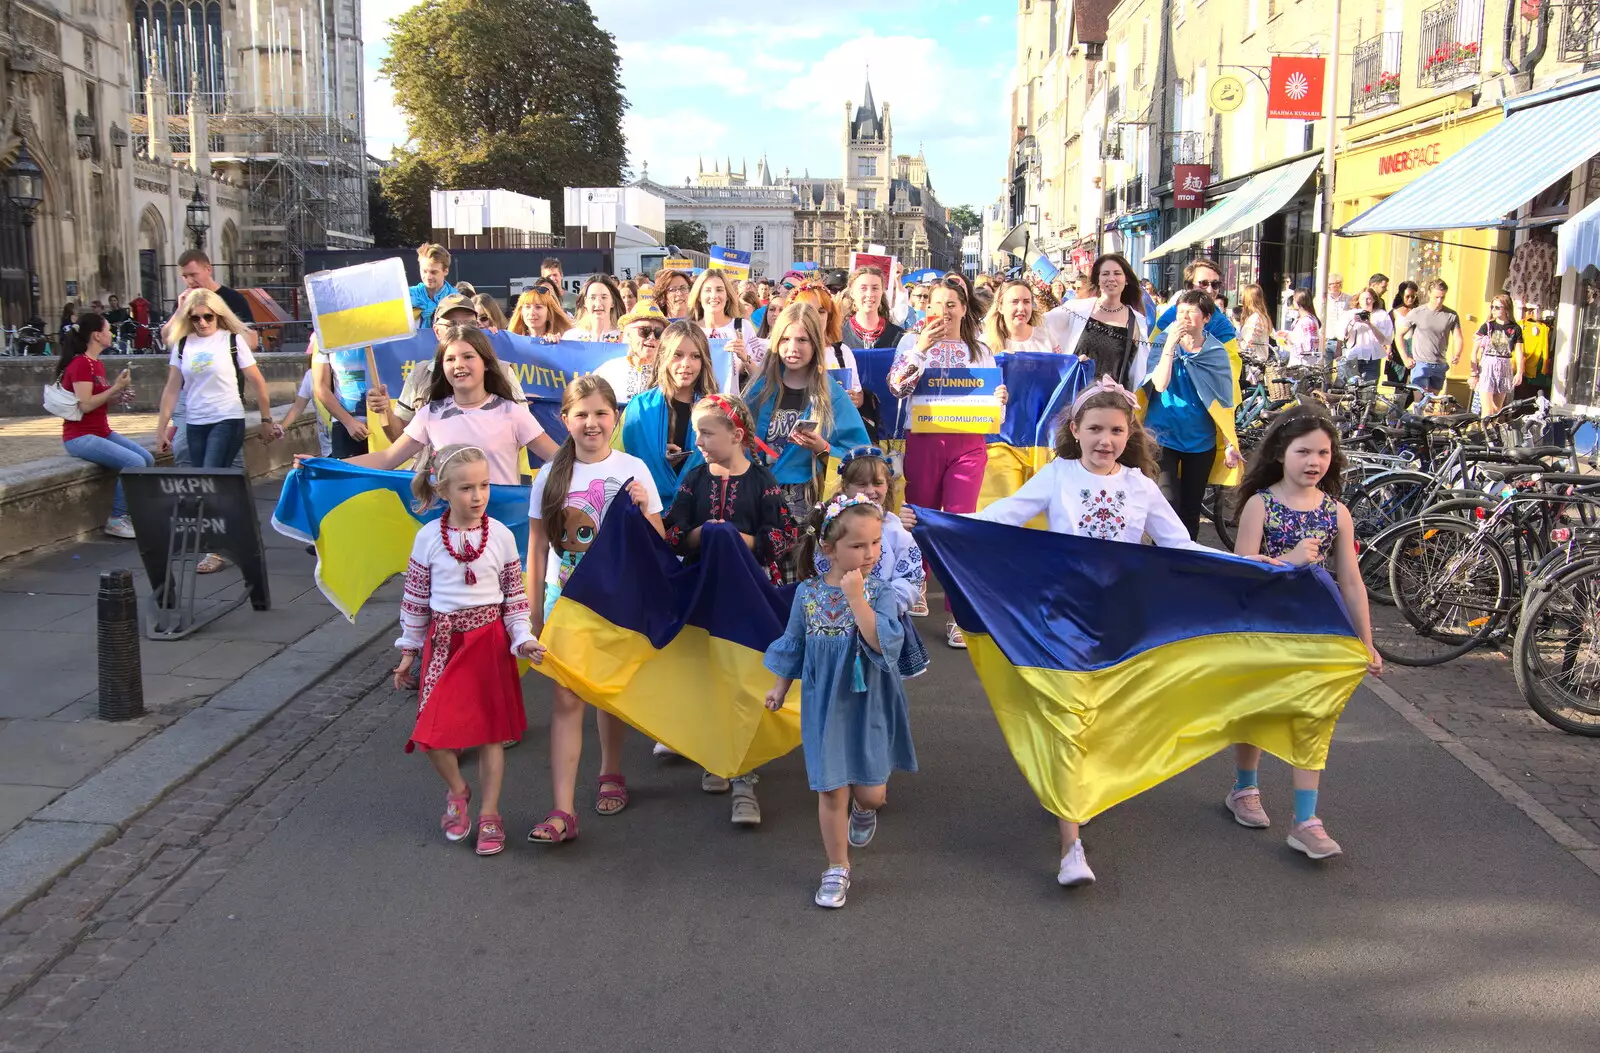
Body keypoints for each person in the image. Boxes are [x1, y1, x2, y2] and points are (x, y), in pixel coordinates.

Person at [901, 377, 1206, 887]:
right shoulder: (1058, 475)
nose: (1105, 440)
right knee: (1069, 716)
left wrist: (1248, 566)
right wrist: (938, 523)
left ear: (1130, 434)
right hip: (1062, 617)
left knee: (1100, 718)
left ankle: (1077, 790)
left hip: (1119, 622)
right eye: (1095, 429)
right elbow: (1004, 517)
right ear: (1076, 431)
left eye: (1115, 430)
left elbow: (1181, 545)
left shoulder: (1141, 487)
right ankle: (1071, 849)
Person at [1229, 409, 1381, 860]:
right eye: (1303, 451)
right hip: (1264, 626)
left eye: (1323, 452)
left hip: (1316, 628)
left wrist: (1366, 641)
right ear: (1281, 453)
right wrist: (1289, 560)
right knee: (1258, 710)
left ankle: (1306, 820)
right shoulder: (1261, 503)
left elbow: (1352, 581)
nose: (1314, 460)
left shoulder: (1337, 512)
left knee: (1313, 716)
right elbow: (1241, 568)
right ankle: (1244, 788)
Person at [526, 376, 665, 845]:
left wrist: (646, 509)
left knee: (606, 694)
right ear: (564, 420)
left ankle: (610, 770)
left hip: (617, 605)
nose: (591, 422)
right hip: (564, 602)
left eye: (601, 413)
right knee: (567, 700)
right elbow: (537, 549)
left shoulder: (635, 469)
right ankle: (563, 808)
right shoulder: (549, 475)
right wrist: (532, 617)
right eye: (581, 414)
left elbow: (659, 544)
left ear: (615, 418)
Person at [764, 494, 916, 909]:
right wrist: (780, 685)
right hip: (825, 706)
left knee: (871, 795)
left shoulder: (880, 592)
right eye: (858, 545)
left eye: (876, 544)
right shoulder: (807, 594)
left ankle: (864, 812)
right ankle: (837, 867)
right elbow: (793, 642)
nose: (870, 554)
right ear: (828, 549)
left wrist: (856, 598)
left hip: (869, 706)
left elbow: (883, 643)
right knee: (832, 790)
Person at [393, 444, 542, 857]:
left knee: (491, 735)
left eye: (484, 485)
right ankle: (458, 791)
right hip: (444, 643)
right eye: (465, 488)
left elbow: (514, 598)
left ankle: (491, 814)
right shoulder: (427, 539)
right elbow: (415, 598)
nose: (477, 496)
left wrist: (522, 637)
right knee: (432, 734)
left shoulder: (503, 537)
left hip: (489, 641)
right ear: (442, 491)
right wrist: (408, 649)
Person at [661, 393, 794, 823]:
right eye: (696, 431)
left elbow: (783, 536)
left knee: (745, 681)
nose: (696, 439)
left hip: (750, 597)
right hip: (704, 595)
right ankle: (715, 758)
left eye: (705, 432)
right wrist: (705, 534)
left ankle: (744, 778)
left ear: (736, 435)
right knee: (710, 678)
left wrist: (737, 539)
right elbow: (675, 530)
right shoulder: (693, 477)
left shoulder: (763, 480)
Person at [888, 277, 1005, 649]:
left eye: (952, 304)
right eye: (936, 304)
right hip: (924, 439)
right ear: (926, 308)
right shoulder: (910, 341)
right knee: (920, 515)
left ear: (964, 308)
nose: (944, 311)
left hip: (968, 443)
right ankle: (915, 581)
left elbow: (990, 405)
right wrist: (922, 349)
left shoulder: (980, 349)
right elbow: (897, 388)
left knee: (958, 523)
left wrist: (1000, 397)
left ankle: (958, 614)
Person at [154, 290, 280, 573]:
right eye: (195, 318)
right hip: (197, 421)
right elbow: (172, 387)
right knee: (205, 483)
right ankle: (241, 532)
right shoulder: (184, 345)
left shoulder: (232, 341)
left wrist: (266, 418)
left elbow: (258, 382)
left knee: (210, 478)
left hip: (227, 418)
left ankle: (217, 550)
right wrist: (161, 429)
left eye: (207, 316)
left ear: (218, 315)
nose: (202, 322)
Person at [743, 301, 871, 579]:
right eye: (786, 339)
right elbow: (737, 437)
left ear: (815, 344)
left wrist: (823, 449)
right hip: (759, 499)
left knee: (800, 579)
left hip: (805, 505)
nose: (793, 348)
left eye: (802, 339)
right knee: (762, 579)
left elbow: (861, 455)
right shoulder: (759, 389)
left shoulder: (831, 396)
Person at [355, 327, 559, 479]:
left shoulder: (512, 413)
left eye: (468, 356)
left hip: (501, 527)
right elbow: (387, 459)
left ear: (486, 363)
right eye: (450, 359)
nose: (459, 364)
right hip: (448, 528)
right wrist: (326, 467)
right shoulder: (430, 414)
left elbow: (559, 460)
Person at [814, 447, 930, 668]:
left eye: (877, 483)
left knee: (880, 687)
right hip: (837, 619)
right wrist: (841, 601)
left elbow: (911, 578)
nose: (870, 490)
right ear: (845, 487)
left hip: (884, 621)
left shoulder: (898, 532)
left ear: (888, 485)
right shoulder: (832, 528)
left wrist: (881, 606)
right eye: (861, 484)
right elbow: (822, 567)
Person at [1140, 290, 1242, 539]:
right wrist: (1170, 347)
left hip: (1200, 440)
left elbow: (1224, 402)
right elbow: (1160, 384)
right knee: (1167, 501)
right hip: (1162, 435)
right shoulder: (1163, 341)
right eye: (1180, 311)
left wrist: (1229, 444)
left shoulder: (1216, 352)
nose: (1184, 317)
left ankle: (1186, 562)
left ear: (1206, 318)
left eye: (1191, 312)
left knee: (1190, 508)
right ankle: (1162, 559)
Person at [54, 312, 152, 539]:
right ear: (97, 336)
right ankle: (117, 519)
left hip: (101, 431)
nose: (112, 334)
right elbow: (85, 405)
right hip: (80, 436)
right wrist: (116, 387)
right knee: (134, 462)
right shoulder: (81, 364)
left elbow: (96, 400)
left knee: (146, 458)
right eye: (108, 330)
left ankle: (131, 512)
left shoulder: (95, 363)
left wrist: (117, 397)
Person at [389, 294, 528, 430]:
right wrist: (385, 412)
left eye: (469, 325)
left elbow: (524, 429)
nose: (461, 331)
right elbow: (401, 436)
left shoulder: (502, 370)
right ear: (437, 331)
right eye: (452, 325)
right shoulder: (420, 374)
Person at [617, 320, 720, 501]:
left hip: (701, 512)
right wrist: (658, 460)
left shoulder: (716, 409)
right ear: (664, 356)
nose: (686, 364)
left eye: (695, 356)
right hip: (647, 510)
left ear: (704, 361)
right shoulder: (640, 407)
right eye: (677, 355)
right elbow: (620, 461)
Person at [1046, 253, 1146, 376]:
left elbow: (1138, 372)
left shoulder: (1136, 321)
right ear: (1097, 280)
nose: (1111, 278)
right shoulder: (1076, 308)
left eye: (1117, 273)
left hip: (1113, 394)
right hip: (1077, 393)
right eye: (1105, 274)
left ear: (1126, 280)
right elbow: (1040, 325)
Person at [175, 250, 258, 350]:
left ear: (208, 269)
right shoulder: (184, 301)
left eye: (193, 275)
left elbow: (252, 342)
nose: (189, 281)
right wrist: (180, 309)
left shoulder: (234, 298)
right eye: (185, 276)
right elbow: (168, 340)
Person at [688, 269, 761, 380]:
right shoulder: (689, 329)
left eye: (719, 290)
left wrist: (744, 357)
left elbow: (759, 375)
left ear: (727, 295)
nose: (714, 295)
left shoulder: (742, 327)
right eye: (707, 290)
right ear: (698, 296)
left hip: (730, 396)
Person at [1395, 278, 1463, 395]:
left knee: (1431, 403)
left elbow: (1458, 337)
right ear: (1429, 294)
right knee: (1421, 401)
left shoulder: (1451, 315)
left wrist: (1457, 354)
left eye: (1442, 297)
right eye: (1436, 297)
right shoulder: (1417, 312)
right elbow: (1399, 335)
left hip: (1439, 363)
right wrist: (1405, 358)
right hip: (1421, 363)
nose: (1439, 300)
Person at [595, 298, 669, 405]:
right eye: (644, 330)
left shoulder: (670, 372)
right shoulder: (608, 371)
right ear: (628, 334)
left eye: (658, 332)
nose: (652, 337)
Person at [1472, 293, 1525, 416]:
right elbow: (1474, 351)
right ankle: (1486, 433)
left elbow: (1519, 352)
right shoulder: (1488, 326)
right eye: (1492, 307)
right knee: (1488, 411)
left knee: (1497, 410)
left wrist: (1519, 372)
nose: (1493, 310)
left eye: (1497, 307)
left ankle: (1490, 433)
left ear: (1506, 309)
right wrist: (1474, 373)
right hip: (1488, 365)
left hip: (1505, 365)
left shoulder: (1515, 328)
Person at [984, 279, 1059, 353]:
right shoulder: (986, 344)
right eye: (1014, 302)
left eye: (1026, 302)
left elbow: (1061, 364)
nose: (1021, 308)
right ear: (1000, 307)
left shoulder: (1046, 337)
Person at [1339, 287, 1393, 386]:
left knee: (1368, 391)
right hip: (1353, 356)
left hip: (1372, 358)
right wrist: (1352, 322)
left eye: (1368, 298)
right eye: (1363, 298)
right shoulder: (1350, 314)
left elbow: (1385, 340)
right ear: (1358, 300)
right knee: (1351, 391)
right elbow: (1343, 336)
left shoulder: (1382, 315)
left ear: (1374, 299)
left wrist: (1370, 324)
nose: (1366, 301)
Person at [1237, 283, 1276, 389]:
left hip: (1253, 363)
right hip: (1259, 361)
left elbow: (1249, 342)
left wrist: (1237, 345)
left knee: (1251, 396)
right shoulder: (1263, 316)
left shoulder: (1255, 318)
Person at [409, 244, 456, 330]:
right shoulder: (408, 296)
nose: (428, 277)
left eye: (433, 272)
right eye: (424, 271)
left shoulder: (456, 301)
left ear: (445, 271)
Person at [1387, 280, 1421, 391]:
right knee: (1398, 385)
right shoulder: (1394, 312)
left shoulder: (1419, 312)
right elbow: (1388, 332)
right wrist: (1388, 348)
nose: (1410, 299)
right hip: (1398, 349)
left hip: (1416, 348)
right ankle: (1396, 407)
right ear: (1401, 295)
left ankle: (1406, 405)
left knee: (1416, 385)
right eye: (1407, 296)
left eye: (1413, 296)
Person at [568, 275, 624, 342]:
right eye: (592, 298)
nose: (598, 304)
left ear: (613, 302)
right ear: (585, 302)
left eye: (604, 297)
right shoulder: (571, 337)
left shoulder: (626, 338)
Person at [507, 287, 573, 342]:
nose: (532, 313)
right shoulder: (510, 341)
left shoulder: (565, 339)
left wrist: (557, 344)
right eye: (527, 307)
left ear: (549, 313)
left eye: (538, 307)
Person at [1277, 290, 1323, 369]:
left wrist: (1289, 338)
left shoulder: (1307, 321)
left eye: (1294, 299)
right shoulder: (1301, 319)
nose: (1293, 301)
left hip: (1302, 365)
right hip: (1297, 362)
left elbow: (1309, 345)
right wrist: (1287, 335)